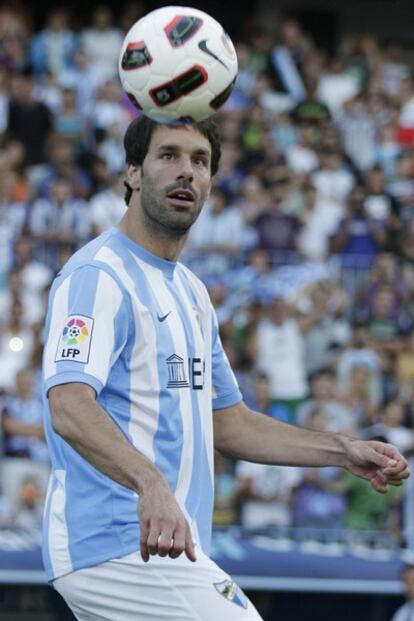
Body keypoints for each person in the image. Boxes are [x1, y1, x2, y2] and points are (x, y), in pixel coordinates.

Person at [42, 116, 410, 621]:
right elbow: (67, 404)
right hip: (116, 543)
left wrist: (342, 451)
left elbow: (230, 422)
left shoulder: (192, 292)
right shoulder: (98, 275)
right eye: (168, 155)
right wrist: (151, 485)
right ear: (133, 172)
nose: (186, 172)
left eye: (200, 161)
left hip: (171, 545)